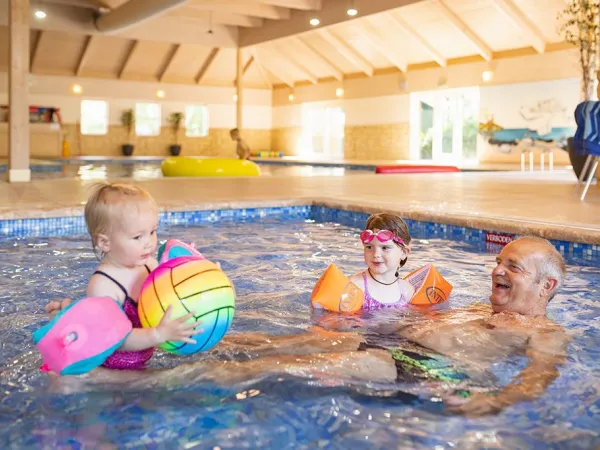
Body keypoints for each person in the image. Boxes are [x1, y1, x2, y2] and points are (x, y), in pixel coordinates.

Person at [44, 182, 202, 371]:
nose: (149, 243)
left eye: (152, 231)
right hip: (114, 370)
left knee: (235, 345)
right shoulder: (103, 286)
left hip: (147, 354)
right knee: (196, 373)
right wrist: (159, 335)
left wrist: (201, 277)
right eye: (137, 237)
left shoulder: (150, 264)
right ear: (105, 242)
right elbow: (114, 339)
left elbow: (175, 295)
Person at [349, 213, 415, 310]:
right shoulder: (355, 286)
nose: (376, 254)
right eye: (369, 247)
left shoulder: (406, 291)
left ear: (404, 253)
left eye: (385, 248)